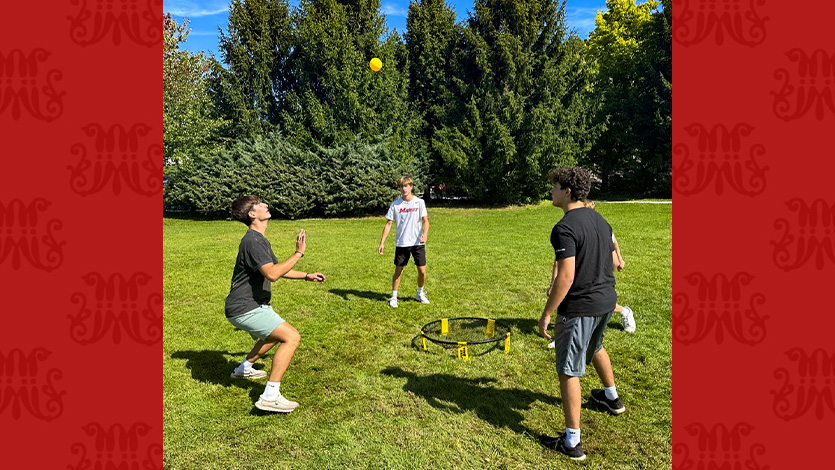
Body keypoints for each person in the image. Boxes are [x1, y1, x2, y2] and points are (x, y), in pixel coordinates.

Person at [538, 167, 625, 461]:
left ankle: (572, 442)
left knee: (568, 370)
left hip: (579, 309)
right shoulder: (601, 219)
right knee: (596, 346)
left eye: (555, 186)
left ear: (568, 192)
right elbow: (614, 262)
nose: (551, 191)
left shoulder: (564, 227)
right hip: (605, 302)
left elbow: (565, 277)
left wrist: (547, 313)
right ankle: (612, 399)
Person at [224, 195, 326, 413]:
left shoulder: (258, 240)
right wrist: (299, 253)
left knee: (273, 335)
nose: (265, 205)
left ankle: (244, 368)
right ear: (252, 214)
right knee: (291, 337)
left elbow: (277, 268)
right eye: (260, 204)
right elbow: (272, 274)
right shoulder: (253, 241)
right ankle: (270, 396)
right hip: (246, 307)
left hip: (245, 305)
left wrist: (306, 275)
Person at [546, 199, 636, 340]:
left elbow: (613, 242)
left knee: (593, 300)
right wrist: (553, 282)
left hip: (595, 269)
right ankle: (564, 336)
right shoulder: (571, 227)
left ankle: (625, 311)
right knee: (570, 297)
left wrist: (620, 258)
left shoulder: (600, 224)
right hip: (577, 271)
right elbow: (559, 261)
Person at [378, 176, 429, 308]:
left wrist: (425, 234)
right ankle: (394, 297)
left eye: (406, 186)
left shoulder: (419, 203)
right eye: (401, 186)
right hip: (402, 243)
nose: (404, 189)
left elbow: (425, 221)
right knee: (398, 271)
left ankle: (419, 293)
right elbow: (389, 223)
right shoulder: (395, 204)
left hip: (418, 243)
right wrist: (382, 242)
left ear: (411, 187)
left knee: (422, 271)